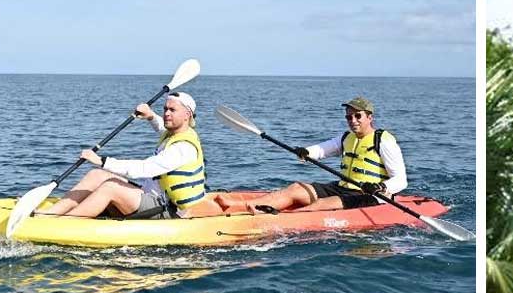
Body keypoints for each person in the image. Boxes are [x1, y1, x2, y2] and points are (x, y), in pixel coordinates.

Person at [39, 92, 209, 220]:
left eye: (172, 110)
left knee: (110, 186)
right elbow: (162, 128)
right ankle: (47, 215)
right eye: (165, 109)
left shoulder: (183, 147)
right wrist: (150, 116)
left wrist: (102, 161)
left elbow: (144, 168)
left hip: (167, 210)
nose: (166, 113)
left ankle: (66, 224)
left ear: (187, 115)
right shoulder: (174, 134)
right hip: (150, 196)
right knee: (97, 175)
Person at [242, 97, 406, 214]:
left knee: (320, 204)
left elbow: (401, 180)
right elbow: (322, 150)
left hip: (370, 195)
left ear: (369, 117)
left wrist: (381, 187)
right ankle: (245, 207)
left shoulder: (383, 140)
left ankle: (275, 219)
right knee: (296, 188)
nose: (353, 120)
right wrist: (305, 152)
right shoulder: (346, 138)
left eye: (358, 116)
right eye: (349, 117)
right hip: (342, 188)